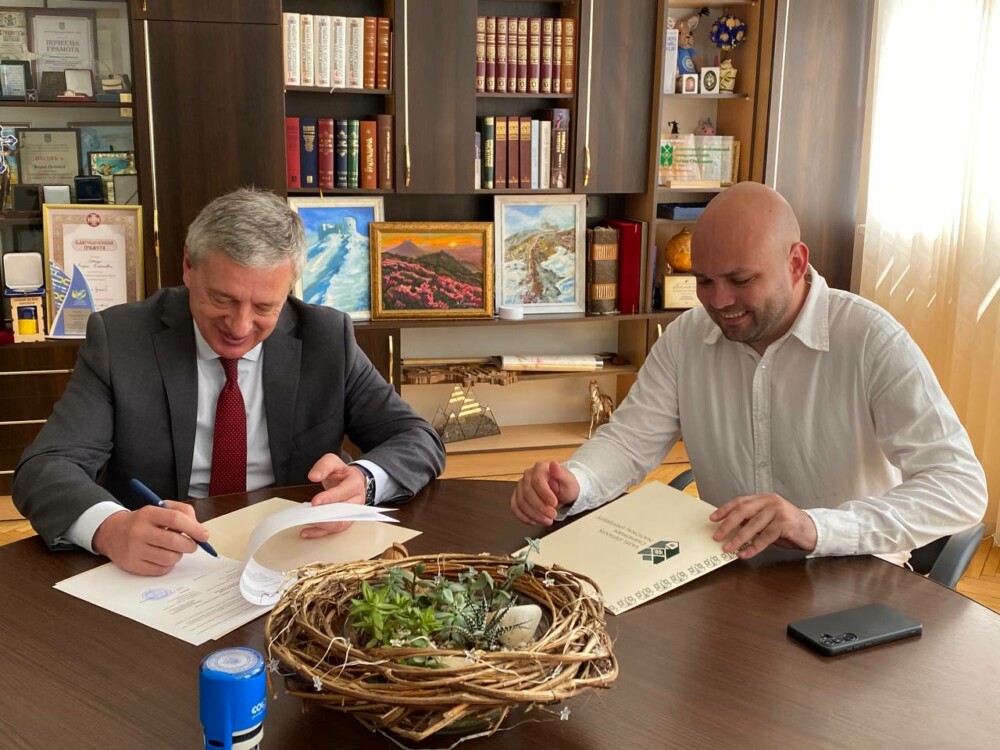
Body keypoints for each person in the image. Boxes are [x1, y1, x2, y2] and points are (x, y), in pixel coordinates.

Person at [511, 183, 987, 564]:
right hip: (727, 574)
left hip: (853, 577)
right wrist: (576, 481)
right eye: (704, 281)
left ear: (795, 263)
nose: (719, 302)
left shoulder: (871, 340)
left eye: (741, 280)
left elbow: (959, 486)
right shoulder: (685, 338)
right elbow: (628, 443)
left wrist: (816, 527)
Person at [13, 188, 445, 575]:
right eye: (222, 299)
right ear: (188, 266)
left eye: (264, 307)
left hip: (292, 557)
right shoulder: (122, 340)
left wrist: (363, 480)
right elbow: (45, 468)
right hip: (167, 564)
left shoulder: (326, 337)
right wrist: (111, 528)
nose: (239, 326)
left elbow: (416, 437)